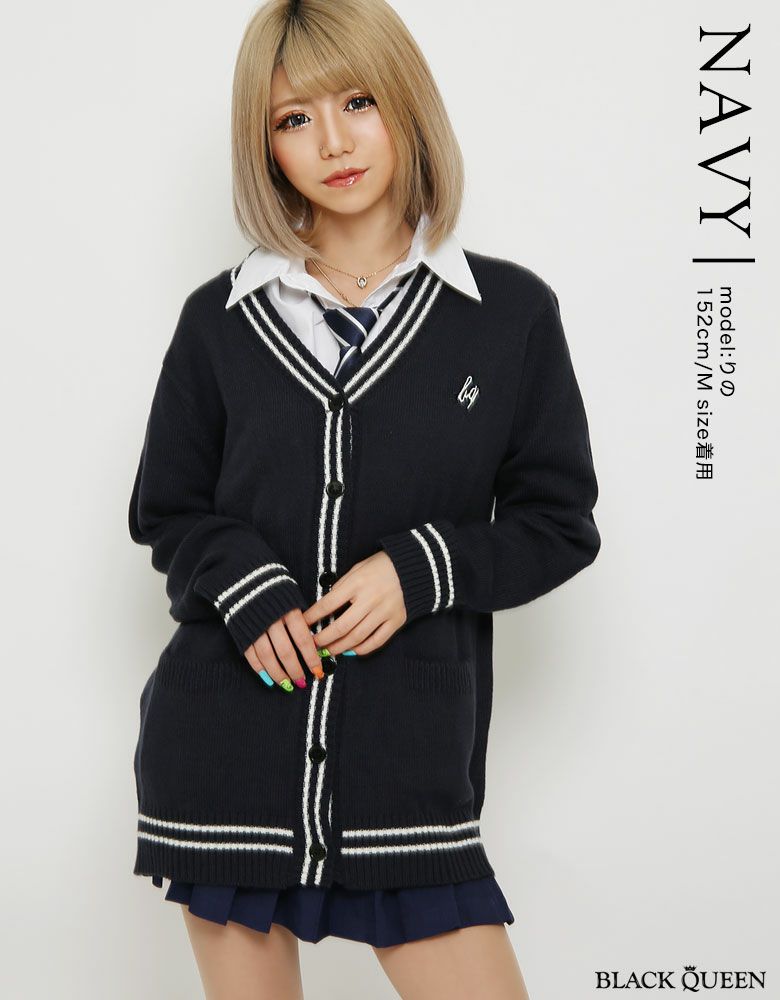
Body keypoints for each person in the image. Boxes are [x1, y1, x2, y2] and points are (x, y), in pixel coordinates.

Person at [127, 0, 601, 996]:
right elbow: (166, 511)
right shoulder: (219, 321)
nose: (332, 143)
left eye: (357, 102)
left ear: (405, 104)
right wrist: (247, 586)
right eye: (293, 118)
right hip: (224, 759)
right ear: (264, 144)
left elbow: (558, 524)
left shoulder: (508, 316)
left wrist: (419, 571)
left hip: (407, 773)